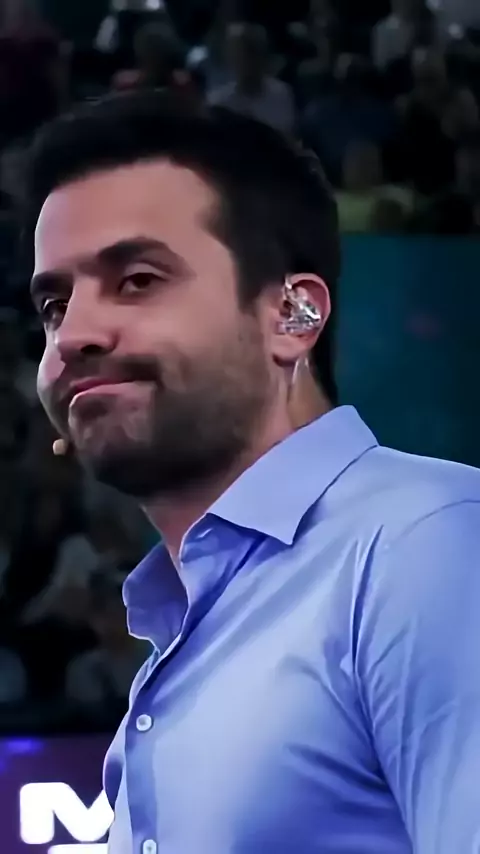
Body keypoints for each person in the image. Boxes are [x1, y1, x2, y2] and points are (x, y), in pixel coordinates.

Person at [27, 90, 480, 853]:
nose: (73, 335)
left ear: (292, 316)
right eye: (53, 304)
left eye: (137, 280)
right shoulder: (178, 644)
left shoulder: (425, 545)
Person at [208, 22, 296, 135]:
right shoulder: (219, 103)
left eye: (252, 52)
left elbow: (288, 136)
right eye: (239, 54)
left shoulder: (282, 95)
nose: (246, 61)